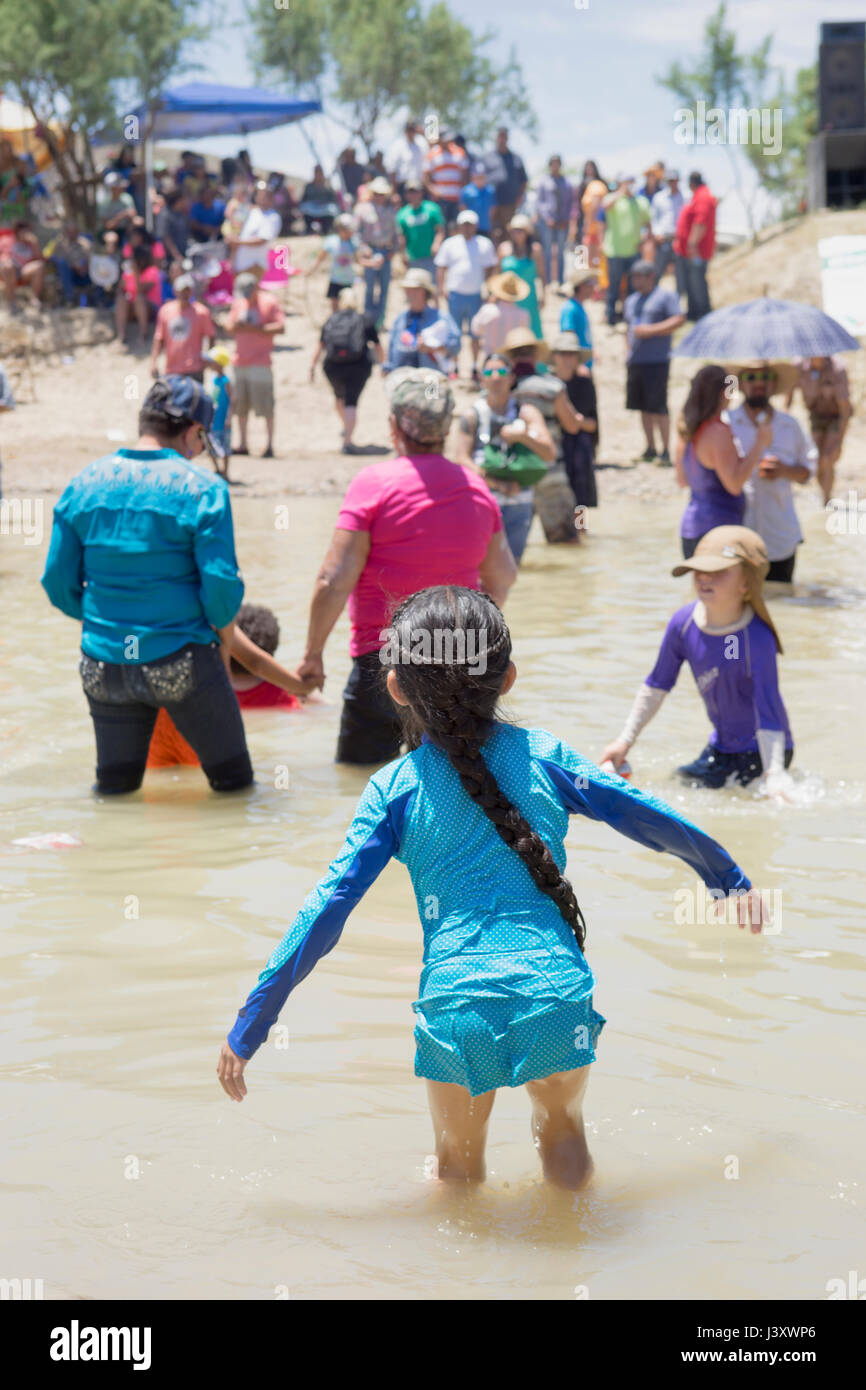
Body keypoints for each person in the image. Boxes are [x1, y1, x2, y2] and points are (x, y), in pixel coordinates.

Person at [218, 585, 763, 1187]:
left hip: (456, 1007)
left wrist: (252, 1023)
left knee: (456, 1172)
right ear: (506, 679)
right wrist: (727, 879)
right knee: (564, 1142)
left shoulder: (394, 788)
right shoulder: (544, 755)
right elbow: (643, 812)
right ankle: (570, 1269)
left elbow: (327, 911)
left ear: (396, 686)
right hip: (555, 994)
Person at [41, 376, 253, 796]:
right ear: (193, 431)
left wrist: (106, 620)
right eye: (201, 440)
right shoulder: (204, 489)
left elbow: (56, 583)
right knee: (235, 788)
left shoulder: (83, 483)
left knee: (114, 791)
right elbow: (221, 591)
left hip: (102, 665)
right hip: (181, 660)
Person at [293, 370, 517, 764]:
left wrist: (312, 654)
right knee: (454, 780)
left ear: (394, 425)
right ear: (446, 428)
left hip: (385, 663)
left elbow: (332, 579)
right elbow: (504, 577)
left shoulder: (374, 484)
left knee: (362, 786)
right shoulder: (477, 488)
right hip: (460, 661)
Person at [601, 526, 792, 793]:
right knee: (676, 785)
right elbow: (657, 685)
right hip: (721, 747)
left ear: (746, 583)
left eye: (718, 572)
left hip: (764, 750)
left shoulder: (756, 639)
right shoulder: (683, 624)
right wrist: (624, 741)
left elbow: (767, 708)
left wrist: (774, 773)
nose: (704, 578)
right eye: (699, 570)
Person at [146, 603, 310, 770]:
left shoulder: (135, 608)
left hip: (152, 718)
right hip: (198, 713)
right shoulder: (210, 612)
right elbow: (256, 662)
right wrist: (302, 686)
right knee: (220, 785)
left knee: (155, 788)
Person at [454, 351, 555, 563]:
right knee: (480, 566)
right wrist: (498, 484)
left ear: (511, 378)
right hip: (483, 503)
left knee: (513, 566)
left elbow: (549, 452)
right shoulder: (472, 415)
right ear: (481, 378)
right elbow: (461, 460)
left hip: (520, 503)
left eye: (501, 371)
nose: (496, 377)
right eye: (489, 372)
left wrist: (523, 436)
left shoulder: (526, 412)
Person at [726, 362, 815, 582]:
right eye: (752, 378)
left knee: (782, 600)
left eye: (765, 377)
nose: (759, 384)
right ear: (741, 383)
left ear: (774, 383)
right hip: (738, 534)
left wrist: (785, 471)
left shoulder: (790, 425)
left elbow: (808, 472)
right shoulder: (727, 424)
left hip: (781, 534)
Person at [675, 364, 772, 558]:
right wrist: (759, 445)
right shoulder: (718, 432)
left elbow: (682, 480)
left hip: (691, 527)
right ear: (723, 393)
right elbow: (734, 485)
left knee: (702, 588)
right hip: (718, 529)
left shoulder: (687, 429)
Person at [503, 327, 583, 544]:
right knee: (567, 542)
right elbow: (572, 426)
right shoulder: (552, 386)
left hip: (512, 476)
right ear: (537, 355)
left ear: (509, 357)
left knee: (511, 548)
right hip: (551, 470)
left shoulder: (500, 389)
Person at [623, 259, 685, 464]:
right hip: (636, 360)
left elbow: (678, 319)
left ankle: (666, 450)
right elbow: (628, 328)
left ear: (650, 277)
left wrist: (650, 331)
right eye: (633, 276)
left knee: (658, 406)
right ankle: (650, 447)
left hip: (657, 360)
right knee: (642, 406)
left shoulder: (665, 296)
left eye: (639, 276)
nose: (635, 280)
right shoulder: (631, 300)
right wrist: (627, 350)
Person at [310, 286, 383, 453]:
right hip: (359, 366)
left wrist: (312, 366)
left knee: (339, 398)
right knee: (351, 402)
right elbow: (377, 345)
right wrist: (383, 365)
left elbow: (320, 345)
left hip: (333, 366)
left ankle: (346, 427)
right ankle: (348, 441)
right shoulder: (365, 319)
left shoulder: (332, 319)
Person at [225, 271, 284, 459]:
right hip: (240, 361)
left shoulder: (269, 301)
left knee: (266, 406)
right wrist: (237, 325)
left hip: (261, 362)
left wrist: (257, 329)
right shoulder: (238, 303)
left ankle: (270, 445)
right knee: (240, 406)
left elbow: (281, 327)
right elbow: (228, 326)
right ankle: (242, 444)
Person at [434, 211, 497, 380]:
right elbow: (441, 267)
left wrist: (489, 291)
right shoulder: (450, 244)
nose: (467, 228)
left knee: (475, 334)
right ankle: (453, 366)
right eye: (464, 224)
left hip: (476, 295)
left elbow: (491, 268)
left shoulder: (484, 244)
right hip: (455, 294)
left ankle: (475, 366)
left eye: (470, 224)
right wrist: (441, 288)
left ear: (475, 226)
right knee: (454, 334)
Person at [785, 356, 852, 505]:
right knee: (816, 459)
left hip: (836, 417)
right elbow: (789, 393)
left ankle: (827, 498)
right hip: (816, 416)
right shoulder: (799, 366)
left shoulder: (837, 369)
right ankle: (825, 496)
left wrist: (839, 442)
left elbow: (845, 409)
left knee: (828, 458)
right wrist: (786, 416)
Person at [550, 332, 598, 515]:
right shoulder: (547, 383)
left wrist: (573, 420)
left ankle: (581, 533)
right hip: (554, 447)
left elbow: (593, 425)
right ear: (555, 356)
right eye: (563, 353)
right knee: (554, 499)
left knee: (580, 502)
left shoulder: (585, 384)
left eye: (572, 354)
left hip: (579, 449)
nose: (567, 358)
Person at [383, 268, 460, 375]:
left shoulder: (440, 318)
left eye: (414, 289)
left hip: (430, 379)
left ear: (425, 292)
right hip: (403, 379)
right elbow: (392, 347)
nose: (409, 293)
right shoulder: (401, 318)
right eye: (407, 289)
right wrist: (387, 368)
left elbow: (455, 347)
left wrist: (432, 349)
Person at [601, 174, 650, 326]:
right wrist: (621, 192)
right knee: (613, 287)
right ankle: (610, 318)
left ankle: (630, 318)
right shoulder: (612, 198)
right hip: (615, 251)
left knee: (632, 288)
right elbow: (605, 208)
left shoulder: (641, 201)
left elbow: (648, 224)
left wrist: (644, 240)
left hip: (634, 252)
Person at [150, 274, 215, 381]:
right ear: (175, 291)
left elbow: (211, 336)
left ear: (191, 291)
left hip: (194, 369)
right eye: (182, 290)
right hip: (172, 370)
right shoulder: (165, 311)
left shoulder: (201, 312)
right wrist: (153, 362)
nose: (184, 294)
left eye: (187, 290)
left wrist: (208, 358)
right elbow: (159, 339)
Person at [355, 177, 398, 327]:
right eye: (377, 193)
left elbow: (396, 232)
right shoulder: (362, 209)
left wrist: (394, 250)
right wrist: (363, 248)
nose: (379, 196)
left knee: (384, 288)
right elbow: (357, 233)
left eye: (382, 193)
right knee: (369, 288)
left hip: (386, 251)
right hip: (370, 250)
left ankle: (380, 321)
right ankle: (367, 321)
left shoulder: (392, 210)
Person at [675, 172, 716, 321]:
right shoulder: (698, 196)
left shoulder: (703, 196)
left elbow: (700, 223)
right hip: (688, 251)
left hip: (695, 251)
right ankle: (693, 313)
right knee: (691, 284)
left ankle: (704, 314)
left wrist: (692, 246)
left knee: (697, 283)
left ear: (691, 183)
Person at [498, 212, 545, 339]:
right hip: (508, 296)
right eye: (514, 231)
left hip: (529, 298)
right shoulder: (504, 248)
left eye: (520, 231)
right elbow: (497, 274)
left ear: (527, 232)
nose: (516, 234)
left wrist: (543, 295)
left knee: (531, 329)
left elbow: (541, 275)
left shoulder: (535, 250)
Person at [469, 270, 531, 357]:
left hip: (490, 356)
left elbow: (475, 329)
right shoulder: (523, 314)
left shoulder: (488, 310)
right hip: (511, 358)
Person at [306, 212, 360, 309]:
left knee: (348, 305)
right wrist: (311, 270)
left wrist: (371, 263)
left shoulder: (353, 242)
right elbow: (320, 258)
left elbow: (358, 260)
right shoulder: (331, 241)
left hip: (348, 279)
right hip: (335, 278)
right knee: (334, 306)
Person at [535, 155, 572, 288]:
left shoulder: (566, 182)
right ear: (550, 165)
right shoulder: (543, 182)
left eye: (558, 164)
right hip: (547, 222)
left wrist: (566, 219)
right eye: (553, 164)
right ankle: (548, 280)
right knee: (547, 251)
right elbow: (539, 202)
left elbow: (569, 203)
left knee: (561, 252)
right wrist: (547, 218)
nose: (555, 166)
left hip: (562, 222)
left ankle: (561, 279)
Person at [396, 179, 446, 277]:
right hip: (413, 256)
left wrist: (436, 244)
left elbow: (440, 230)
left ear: (421, 192)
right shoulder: (402, 214)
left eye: (416, 192)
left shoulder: (432, 208)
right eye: (410, 192)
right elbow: (402, 237)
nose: (413, 195)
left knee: (432, 287)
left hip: (431, 256)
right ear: (406, 195)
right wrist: (403, 253)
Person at [423, 128, 470, 228]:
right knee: (441, 227)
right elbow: (426, 178)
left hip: (456, 198)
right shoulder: (432, 153)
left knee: (455, 227)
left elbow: (465, 176)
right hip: (441, 199)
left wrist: (462, 194)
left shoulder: (459, 152)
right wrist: (434, 191)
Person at [232, 181, 282, 275]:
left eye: (265, 195)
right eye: (260, 195)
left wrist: (238, 242)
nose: (262, 198)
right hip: (241, 265)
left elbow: (262, 240)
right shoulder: (253, 211)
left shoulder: (273, 217)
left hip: (255, 266)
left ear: (271, 198)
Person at [116, 245, 162, 343]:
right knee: (121, 299)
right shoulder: (128, 273)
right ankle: (121, 335)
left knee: (139, 298)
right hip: (132, 309)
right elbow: (119, 292)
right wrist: (123, 280)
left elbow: (140, 290)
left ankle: (143, 333)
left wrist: (136, 273)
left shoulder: (152, 271)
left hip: (150, 309)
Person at [490, 127, 528, 238]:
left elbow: (524, 181)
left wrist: (520, 197)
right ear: (496, 138)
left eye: (504, 136)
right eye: (500, 136)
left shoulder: (516, 158)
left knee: (509, 234)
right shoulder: (486, 157)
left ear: (507, 138)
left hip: (509, 205)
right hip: (491, 205)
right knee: (492, 234)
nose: (502, 139)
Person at [0, 220, 44, 309]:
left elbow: (40, 259)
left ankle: (34, 299)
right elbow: (3, 257)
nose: (26, 233)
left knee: (40, 265)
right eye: (24, 231)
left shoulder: (31, 243)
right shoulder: (7, 240)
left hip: (24, 271)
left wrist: (35, 243)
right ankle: (11, 302)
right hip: (8, 270)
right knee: (8, 266)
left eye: (28, 231)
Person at [559, 267, 596, 368]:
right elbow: (568, 336)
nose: (594, 288)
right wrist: (577, 365)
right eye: (591, 284)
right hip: (577, 366)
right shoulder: (570, 308)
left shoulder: (578, 306)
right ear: (582, 286)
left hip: (583, 363)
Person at [50, 221, 93, 305]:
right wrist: (74, 266)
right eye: (69, 231)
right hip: (68, 273)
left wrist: (84, 267)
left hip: (84, 273)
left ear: (78, 232)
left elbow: (91, 259)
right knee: (62, 265)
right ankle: (69, 298)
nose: (71, 233)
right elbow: (56, 259)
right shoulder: (60, 244)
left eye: (74, 231)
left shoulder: (85, 243)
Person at [206, 346, 233, 475]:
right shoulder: (214, 380)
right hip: (214, 419)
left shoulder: (225, 381)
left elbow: (232, 400)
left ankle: (225, 472)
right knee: (211, 446)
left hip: (222, 419)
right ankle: (217, 470)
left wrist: (229, 417)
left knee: (225, 447)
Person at [386, 118, 428, 199]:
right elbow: (392, 170)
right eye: (409, 129)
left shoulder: (423, 143)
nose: (411, 132)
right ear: (405, 130)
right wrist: (394, 193)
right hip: (403, 187)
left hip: (420, 186)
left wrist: (423, 133)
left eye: (413, 129)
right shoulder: (397, 145)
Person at [299, 165, 340, 234]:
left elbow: (333, 199)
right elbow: (304, 199)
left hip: (325, 207)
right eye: (316, 172)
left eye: (320, 172)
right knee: (305, 207)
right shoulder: (309, 186)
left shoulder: (328, 185)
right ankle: (309, 230)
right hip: (311, 208)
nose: (318, 174)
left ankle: (326, 229)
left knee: (332, 209)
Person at [459, 163, 497, 236]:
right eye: (478, 177)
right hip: (470, 226)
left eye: (482, 177)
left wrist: (489, 221)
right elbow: (462, 207)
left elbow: (493, 209)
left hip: (485, 226)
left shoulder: (490, 191)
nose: (480, 179)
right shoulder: (466, 190)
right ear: (473, 177)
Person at [155, 188, 190, 265]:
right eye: (184, 199)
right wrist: (176, 255)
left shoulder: (182, 214)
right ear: (178, 200)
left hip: (183, 254)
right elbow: (165, 237)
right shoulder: (165, 215)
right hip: (169, 259)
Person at [97, 171, 138, 236]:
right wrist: (121, 216)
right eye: (119, 187)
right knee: (112, 237)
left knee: (138, 222)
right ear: (112, 188)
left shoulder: (127, 197)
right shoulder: (104, 203)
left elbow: (133, 214)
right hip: (108, 232)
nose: (122, 188)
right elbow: (108, 226)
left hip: (125, 229)